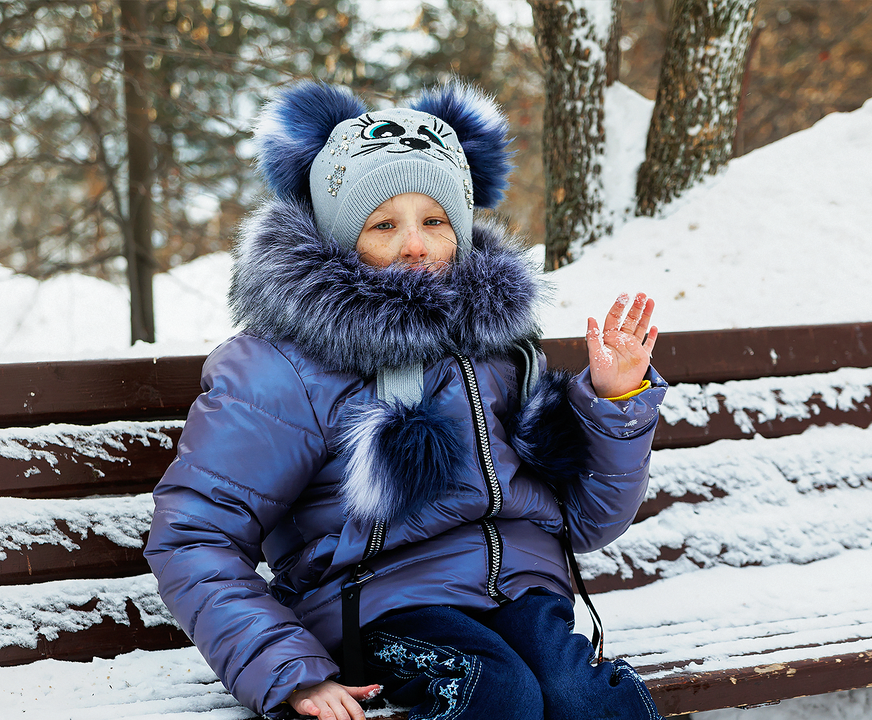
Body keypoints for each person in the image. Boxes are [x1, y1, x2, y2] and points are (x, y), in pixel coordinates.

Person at [145, 81, 668, 720]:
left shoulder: (499, 350)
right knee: (496, 695)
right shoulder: (284, 366)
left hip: (521, 594)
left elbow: (586, 524)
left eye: (435, 221)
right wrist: (289, 672)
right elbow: (195, 534)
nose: (415, 245)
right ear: (341, 236)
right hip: (376, 606)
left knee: (583, 701)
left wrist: (616, 404)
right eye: (383, 223)